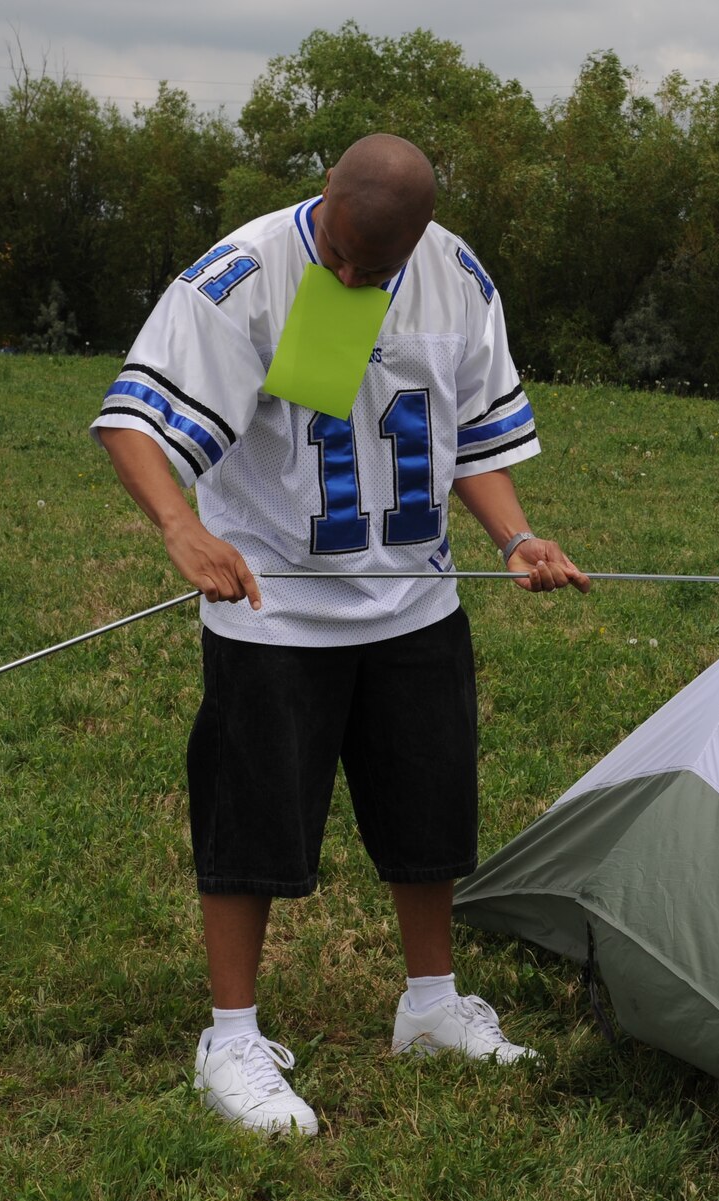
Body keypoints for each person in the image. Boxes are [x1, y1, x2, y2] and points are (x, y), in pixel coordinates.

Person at [91, 134, 588, 1137]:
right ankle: (231, 1037)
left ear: (416, 240)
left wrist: (517, 535)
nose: (353, 276)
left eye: (377, 265)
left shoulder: (455, 276)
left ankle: (431, 1003)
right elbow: (130, 421)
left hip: (414, 603)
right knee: (248, 827)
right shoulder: (239, 277)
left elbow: (472, 437)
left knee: (428, 811)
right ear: (323, 198)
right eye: (341, 251)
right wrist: (183, 527)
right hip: (274, 615)